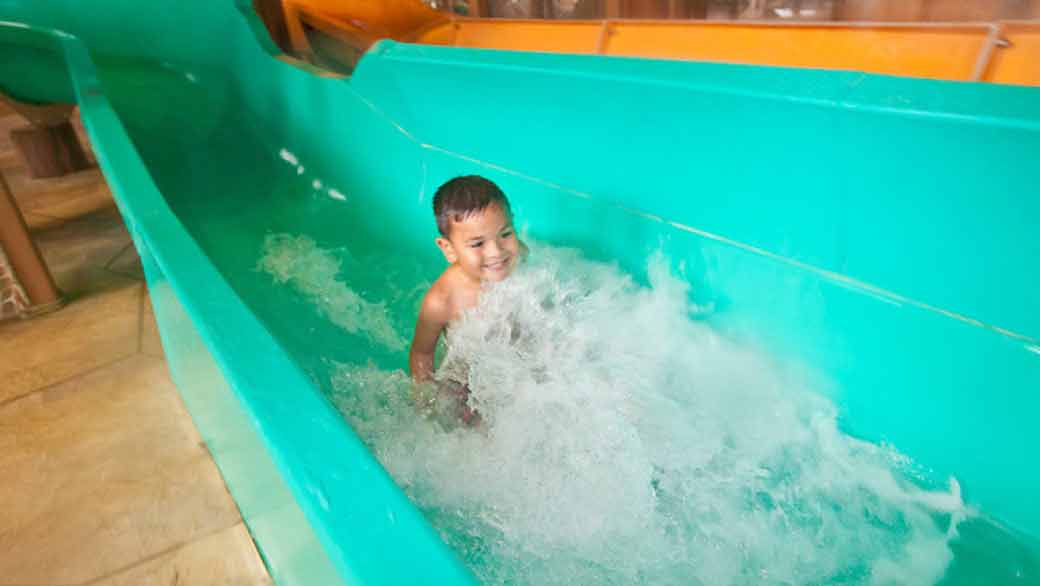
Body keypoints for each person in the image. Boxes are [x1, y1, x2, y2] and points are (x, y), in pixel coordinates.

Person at [409, 175, 525, 423]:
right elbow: (421, 353)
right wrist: (425, 399)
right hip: (468, 380)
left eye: (505, 234)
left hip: (513, 360)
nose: (497, 252)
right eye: (478, 243)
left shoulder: (517, 256)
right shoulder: (442, 301)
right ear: (449, 249)